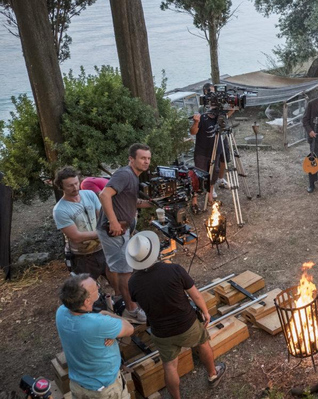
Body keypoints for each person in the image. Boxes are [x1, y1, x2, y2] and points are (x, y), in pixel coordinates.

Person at [127, 231, 227, 398]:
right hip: (186, 324)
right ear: (155, 251)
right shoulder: (174, 269)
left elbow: (139, 303)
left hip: (161, 332)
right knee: (203, 343)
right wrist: (205, 312)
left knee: (170, 366)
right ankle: (212, 374)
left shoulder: (133, 282)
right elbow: (195, 295)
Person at [97, 143, 153, 323]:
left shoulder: (134, 177)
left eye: (148, 158)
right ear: (131, 159)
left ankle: (132, 305)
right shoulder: (124, 174)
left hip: (123, 229)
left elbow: (128, 201)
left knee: (126, 269)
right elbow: (104, 195)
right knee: (124, 271)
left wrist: (153, 203)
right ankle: (132, 311)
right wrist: (113, 222)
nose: (146, 162)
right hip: (114, 231)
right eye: (142, 158)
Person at [56, 274, 134, 398]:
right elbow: (129, 328)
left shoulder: (61, 312)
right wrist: (106, 314)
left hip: (78, 385)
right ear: (87, 301)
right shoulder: (99, 323)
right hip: (104, 390)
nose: (98, 287)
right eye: (95, 288)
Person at [53, 167, 112, 284]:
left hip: (102, 249)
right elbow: (76, 236)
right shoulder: (60, 210)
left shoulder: (89, 194)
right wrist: (102, 233)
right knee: (87, 291)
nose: (75, 188)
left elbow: (102, 217)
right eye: (70, 185)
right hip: (82, 256)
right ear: (61, 186)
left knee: (116, 281)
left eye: (76, 183)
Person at [190, 84, 230, 208]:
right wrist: (196, 122)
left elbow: (229, 113)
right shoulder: (202, 113)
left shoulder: (220, 114)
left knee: (213, 173)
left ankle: (210, 195)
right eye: (211, 94)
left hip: (215, 149)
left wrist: (233, 103)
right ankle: (195, 200)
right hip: (202, 151)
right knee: (198, 175)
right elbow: (193, 132)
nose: (213, 99)